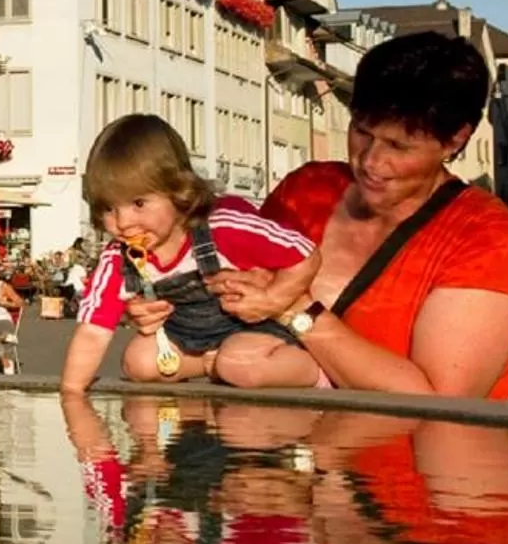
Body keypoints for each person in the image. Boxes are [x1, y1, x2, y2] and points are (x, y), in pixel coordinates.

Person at [171, 31, 508, 399]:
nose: (371, 161)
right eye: (362, 131)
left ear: (455, 140)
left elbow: (441, 402)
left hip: (402, 456)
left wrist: (296, 309)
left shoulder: (487, 238)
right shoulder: (306, 190)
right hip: (276, 449)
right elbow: (234, 295)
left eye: (399, 145)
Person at [61, 114, 323, 394]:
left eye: (139, 203)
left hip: (261, 334)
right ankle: (214, 366)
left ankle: (310, 371)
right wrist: (72, 394)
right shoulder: (118, 256)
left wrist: (273, 299)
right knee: (139, 362)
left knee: (238, 362)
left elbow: (306, 254)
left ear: (178, 191)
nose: (123, 223)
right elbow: (92, 332)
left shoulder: (223, 227)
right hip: (191, 340)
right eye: (109, 209)